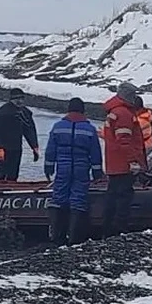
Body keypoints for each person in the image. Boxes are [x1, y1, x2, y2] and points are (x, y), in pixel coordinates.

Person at [44, 98, 104, 246]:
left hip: (63, 167)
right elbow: (95, 153)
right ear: (83, 111)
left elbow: (51, 149)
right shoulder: (89, 129)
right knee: (78, 200)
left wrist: (48, 167)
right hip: (81, 168)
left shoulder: (58, 126)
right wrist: (97, 172)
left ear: (68, 110)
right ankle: (74, 239)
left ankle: (57, 238)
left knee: (59, 198)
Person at [101, 83, 147, 236]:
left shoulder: (114, 112)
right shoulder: (124, 114)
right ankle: (118, 230)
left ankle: (107, 229)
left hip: (113, 162)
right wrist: (133, 161)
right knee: (123, 197)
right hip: (123, 164)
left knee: (112, 195)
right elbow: (124, 140)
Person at [0, 88, 40, 181]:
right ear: (11, 99)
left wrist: (34, 146)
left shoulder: (25, 113)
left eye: (21, 99)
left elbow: (29, 130)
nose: (19, 101)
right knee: (1, 173)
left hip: (16, 148)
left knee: (13, 174)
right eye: (17, 99)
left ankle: (10, 191)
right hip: (3, 148)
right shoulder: (1, 113)